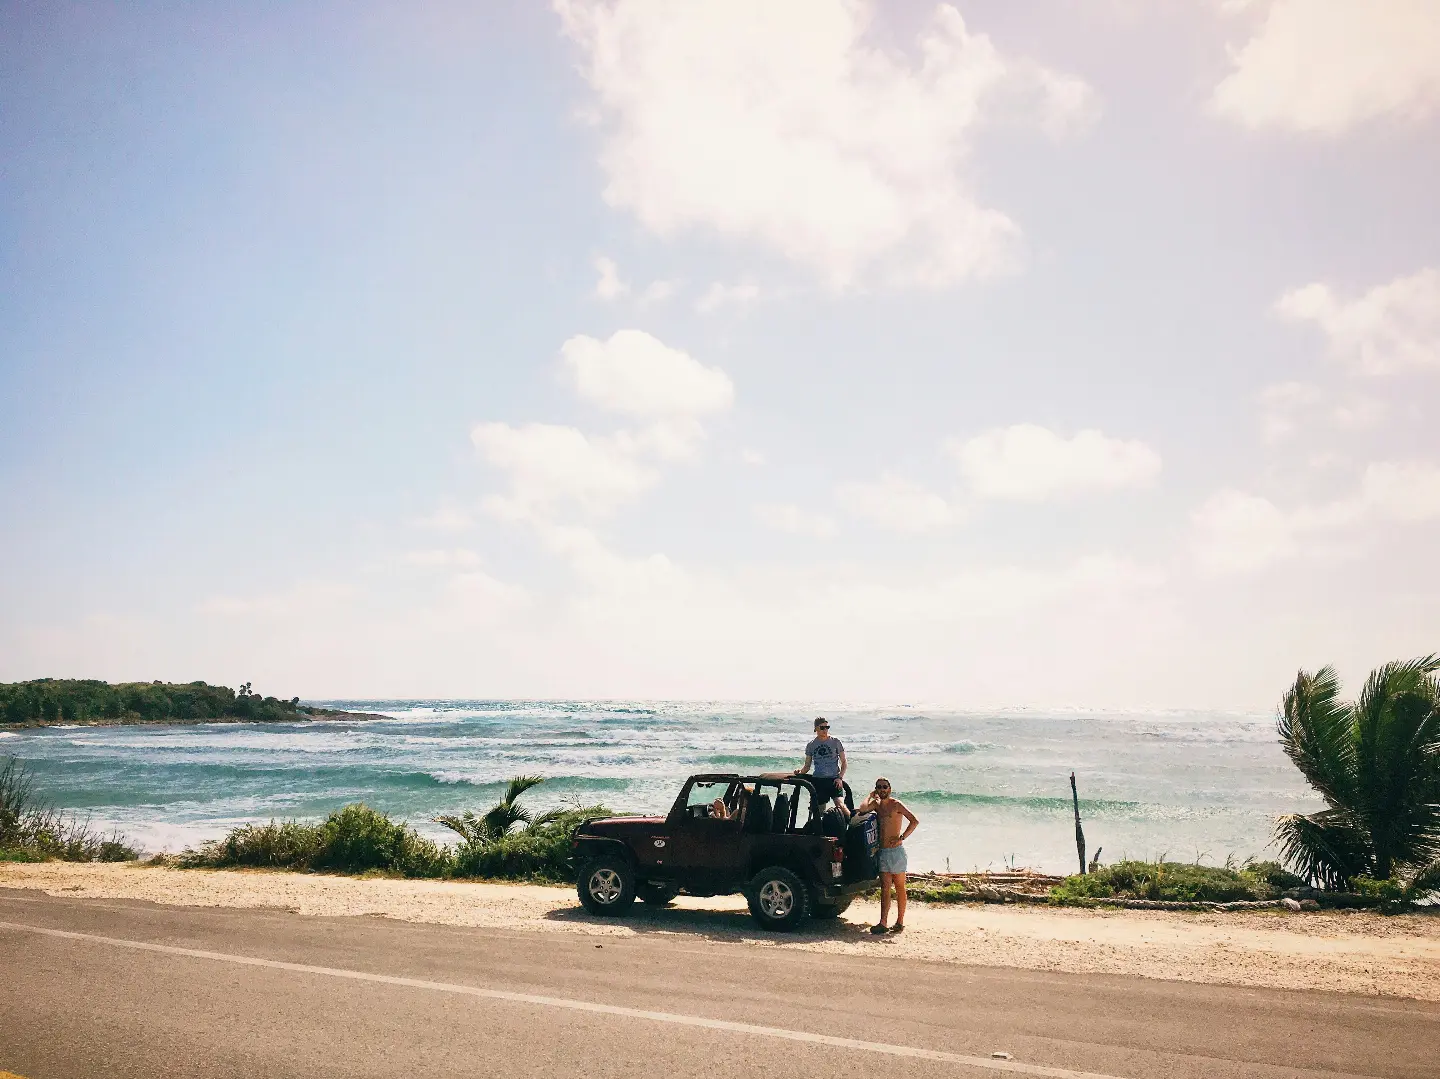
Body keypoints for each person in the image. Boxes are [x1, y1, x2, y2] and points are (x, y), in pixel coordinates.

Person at [856, 777, 918, 934]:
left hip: (896, 852)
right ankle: (883, 923)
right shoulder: (877, 805)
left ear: (890, 789)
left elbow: (914, 821)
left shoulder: (896, 804)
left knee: (900, 887)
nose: (882, 789)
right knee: (885, 888)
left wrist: (902, 838)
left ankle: (900, 922)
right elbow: (862, 809)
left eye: (885, 787)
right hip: (882, 851)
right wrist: (870, 795)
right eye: (879, 787)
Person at [795, 717, 847, 817]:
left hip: (834, 780)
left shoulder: (835, 742)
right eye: (822, 727)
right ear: (816, 729)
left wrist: (840, 778)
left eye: (827, 727)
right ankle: (819, 831)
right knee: (819, 812)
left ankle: (851, 827)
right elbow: (807, 766)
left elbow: (844, 762)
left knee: (841, 806)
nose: (825, 730)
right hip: (819, 780)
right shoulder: (811, 745)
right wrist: (800, 772)